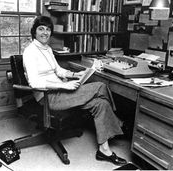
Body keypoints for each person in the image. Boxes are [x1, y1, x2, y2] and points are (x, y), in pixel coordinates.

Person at [23, 15, 127, 165]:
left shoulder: (47, 49)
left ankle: (104, 150)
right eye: (41, 29)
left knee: (101, 104)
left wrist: (73, 74)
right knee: (101, 86)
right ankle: (118, 122)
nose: (45, 32)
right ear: (34, 32)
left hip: (60, 92)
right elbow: (34, 82)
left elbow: (58, 71)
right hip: (48, 97)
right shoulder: (30, 52)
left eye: (48, 29)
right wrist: (64, 85)